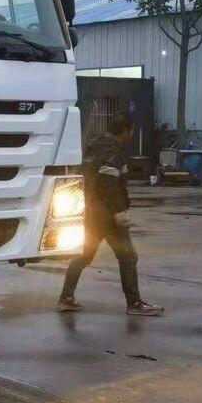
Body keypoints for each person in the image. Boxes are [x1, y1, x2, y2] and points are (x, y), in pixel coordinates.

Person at [57, 112, 164, 315]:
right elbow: (108, 183)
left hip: (89, 210)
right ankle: (134, 304)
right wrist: (117, 212)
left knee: (85, 254)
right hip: (106, 213)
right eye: (131, 131)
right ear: (127, 131)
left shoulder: (94, 146)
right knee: (128, 256)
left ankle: (66, 298)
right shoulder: (113, 151)